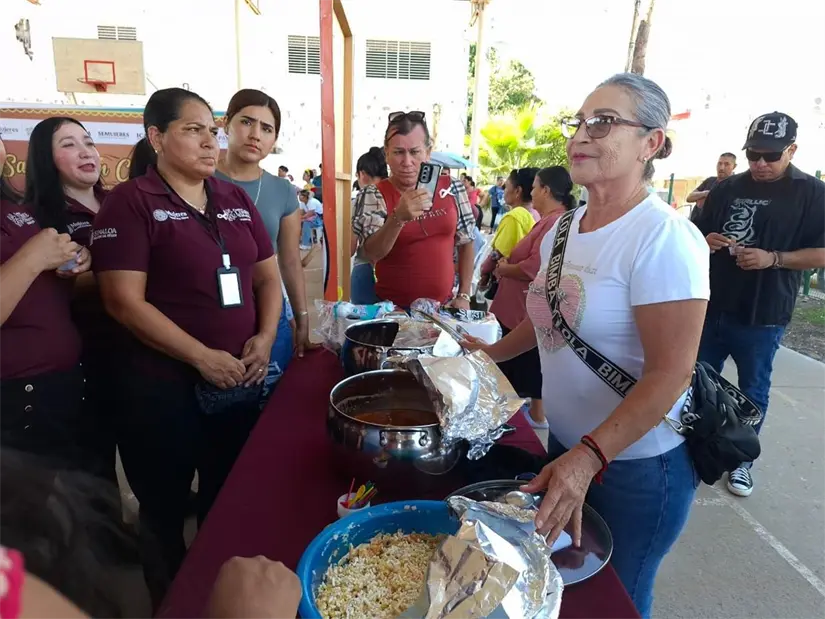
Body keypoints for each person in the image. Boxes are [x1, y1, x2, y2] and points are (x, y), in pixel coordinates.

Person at [464, 73, 708, 619]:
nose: (581, 135)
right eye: (578, 122)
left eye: (603, 122)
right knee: (553, 592)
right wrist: (484, 355)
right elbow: (548, 323)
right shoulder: (563, 229)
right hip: (568, 452)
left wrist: (589, 457)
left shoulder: (663, 238)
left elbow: (671, 375)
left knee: (612, 603)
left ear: (652, 143)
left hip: (635, 469)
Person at [90, 87, 283, 601]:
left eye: (211, 130)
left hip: (236, 383)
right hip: (160, 393)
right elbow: (122, 302)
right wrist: (200, 356)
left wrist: (265, 338)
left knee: (227, 499)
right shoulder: (129, 204)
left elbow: (267, 280)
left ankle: (220, 599)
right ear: (156, 137)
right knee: (164, 510)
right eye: (192, 130)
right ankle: (171, 602)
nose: (209, 141)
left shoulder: (233, 198)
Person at [694, 112, 825, 498]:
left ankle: (741, 461)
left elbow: (821, 252)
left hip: (763, 314)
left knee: (752, 392)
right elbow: (693, 234)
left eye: (770, 156)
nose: (760, 164)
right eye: (753, 155)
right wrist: (706, 240)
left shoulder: (812, 193)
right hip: (712, 304)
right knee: (697, 379)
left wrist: (775, 259)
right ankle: (697, 446)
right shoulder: (726, 188)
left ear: (792, 150)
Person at [24, 117, 119, 482]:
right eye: (68, 144)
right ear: (45, 159)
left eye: (89, 141)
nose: (85, 151)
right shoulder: (35, 218)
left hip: (141, 350)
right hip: (85, 361)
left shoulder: (122, 202)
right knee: (94, 467)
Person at [0, 134, 95, 474]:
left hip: (58, 385)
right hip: (15, 396)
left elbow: (41, 287)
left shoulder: (15, 210)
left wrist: (72, 259)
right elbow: (28, 262)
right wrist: (32, 257)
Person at [215, 89, 314, 365]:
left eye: (267, 128)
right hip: (209, 314)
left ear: (274, 138)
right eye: (246, 122)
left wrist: (301, 316)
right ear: (227, 124)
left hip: (267, 312)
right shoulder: (199, 178)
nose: (255, 134)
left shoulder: (282, 190)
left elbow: (290, 260)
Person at [351, 111, 477, 309]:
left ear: (428, 152)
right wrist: (397, 218)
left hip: (444, 308)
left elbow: (467, 242)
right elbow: (372, 253)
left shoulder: (452, 187)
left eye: (415, 152)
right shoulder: (373, 194)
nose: (407, 162)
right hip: (392, 311)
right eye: (399, 152)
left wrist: (464, 294)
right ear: (387, 154)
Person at [490, 167, 576, 430]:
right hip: (520, 303)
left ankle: (526, 418)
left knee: (524, 361)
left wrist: (505, 268)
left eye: (537, 188)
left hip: (525, 305)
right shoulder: (546, 219)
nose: (533, 193)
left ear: (547, 191)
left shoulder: (555, 222)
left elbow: (536, 265)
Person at [350, 147, 388, 305]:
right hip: (395, 273)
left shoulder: (366, 194)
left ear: (362, 174)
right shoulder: (398, 192)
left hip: (367, 271)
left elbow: (351, 247)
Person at [686, 152, 736, 220]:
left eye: (726, 164)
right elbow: (689, 197)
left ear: (734, 166)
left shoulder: (735, 185)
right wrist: (704, 194)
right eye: (720, 163)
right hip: (695, 226)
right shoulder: (710, 181)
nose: (721, 167)